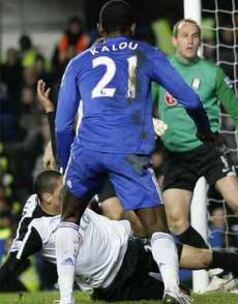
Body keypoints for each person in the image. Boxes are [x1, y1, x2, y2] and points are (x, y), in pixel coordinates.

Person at [54, 1, 214, 303]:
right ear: (133, 27)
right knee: (156, 225)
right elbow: (190, 100)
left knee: (70, 217)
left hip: (87, 151)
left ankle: (65, 298)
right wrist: (203, 129)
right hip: (128, 153)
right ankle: (171, 289)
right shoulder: (148, 54)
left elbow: (63, 125)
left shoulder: (78, 62)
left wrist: (65, 164)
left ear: (100, 29)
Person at [0, 171, 238, 302]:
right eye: (61, 193)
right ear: (46, 199)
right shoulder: (35, 227)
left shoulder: (69, 192)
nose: (70, 195)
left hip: (133, 247)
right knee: (175, 296)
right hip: (114, 285)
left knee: (201, 257)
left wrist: (51, 110)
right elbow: (13, 262)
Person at [152, 19, 238, 289]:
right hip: (175, 155)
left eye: (195, 36)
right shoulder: (161, 71)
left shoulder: (212, 73)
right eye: (185, 36)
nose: (191, 41)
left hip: (210, 149)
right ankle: (219, 271)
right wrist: (148, 120)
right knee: (176, 222)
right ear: (175, 41)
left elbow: (237, 112)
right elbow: (142, 103)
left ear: (200, 40)